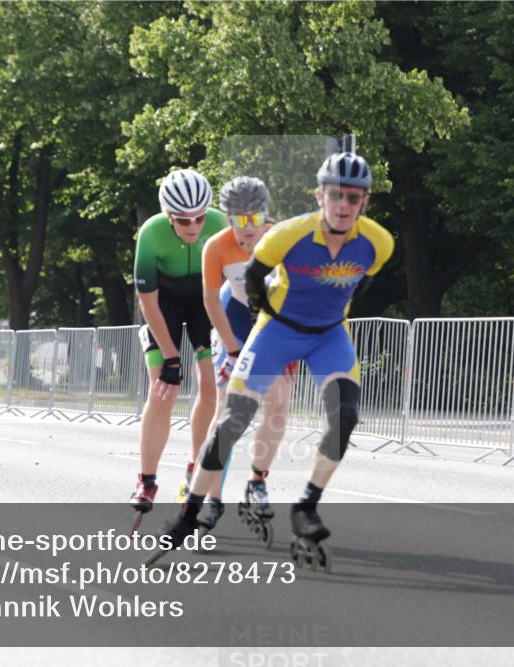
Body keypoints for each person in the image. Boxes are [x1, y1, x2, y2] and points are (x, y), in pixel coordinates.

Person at [158, 152, 394, 563]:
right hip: (277, 331)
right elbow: (251, 280)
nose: (343, 205)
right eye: (336, 195)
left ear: (365, 202)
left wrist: (326, 313)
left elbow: (362, 285)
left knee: (346, 415)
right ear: (320, 196)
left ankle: (305, 506)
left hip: (328, 336)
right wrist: (258, 326)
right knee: (233, 421)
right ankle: (189, 513)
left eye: (353, 198)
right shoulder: (286, 235)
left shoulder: (379, 243)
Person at [196, 176, 293, 533]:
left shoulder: (282, 240)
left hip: (273, 322)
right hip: (234, 319)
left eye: (256, 218)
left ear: (267, 215)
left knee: (279, 406)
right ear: (227, 218)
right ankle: (211, 496)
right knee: (227, 412)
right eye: (238, 219)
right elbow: (209, 300)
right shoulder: (217, 247)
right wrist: (232, 349)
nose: (248, 228)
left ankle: (257, 481)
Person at [129, 169, 226, 521]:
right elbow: (148, 302)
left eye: (200, 217)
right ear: (169, 216)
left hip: (203, 300)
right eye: (184, 220)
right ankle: (147, 479)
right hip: (163, 305)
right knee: (162, 390)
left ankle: (195, 470)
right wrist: (170, 358)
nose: (194, 226)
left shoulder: (220, 224)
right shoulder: (151, 234)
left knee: (212, 388)